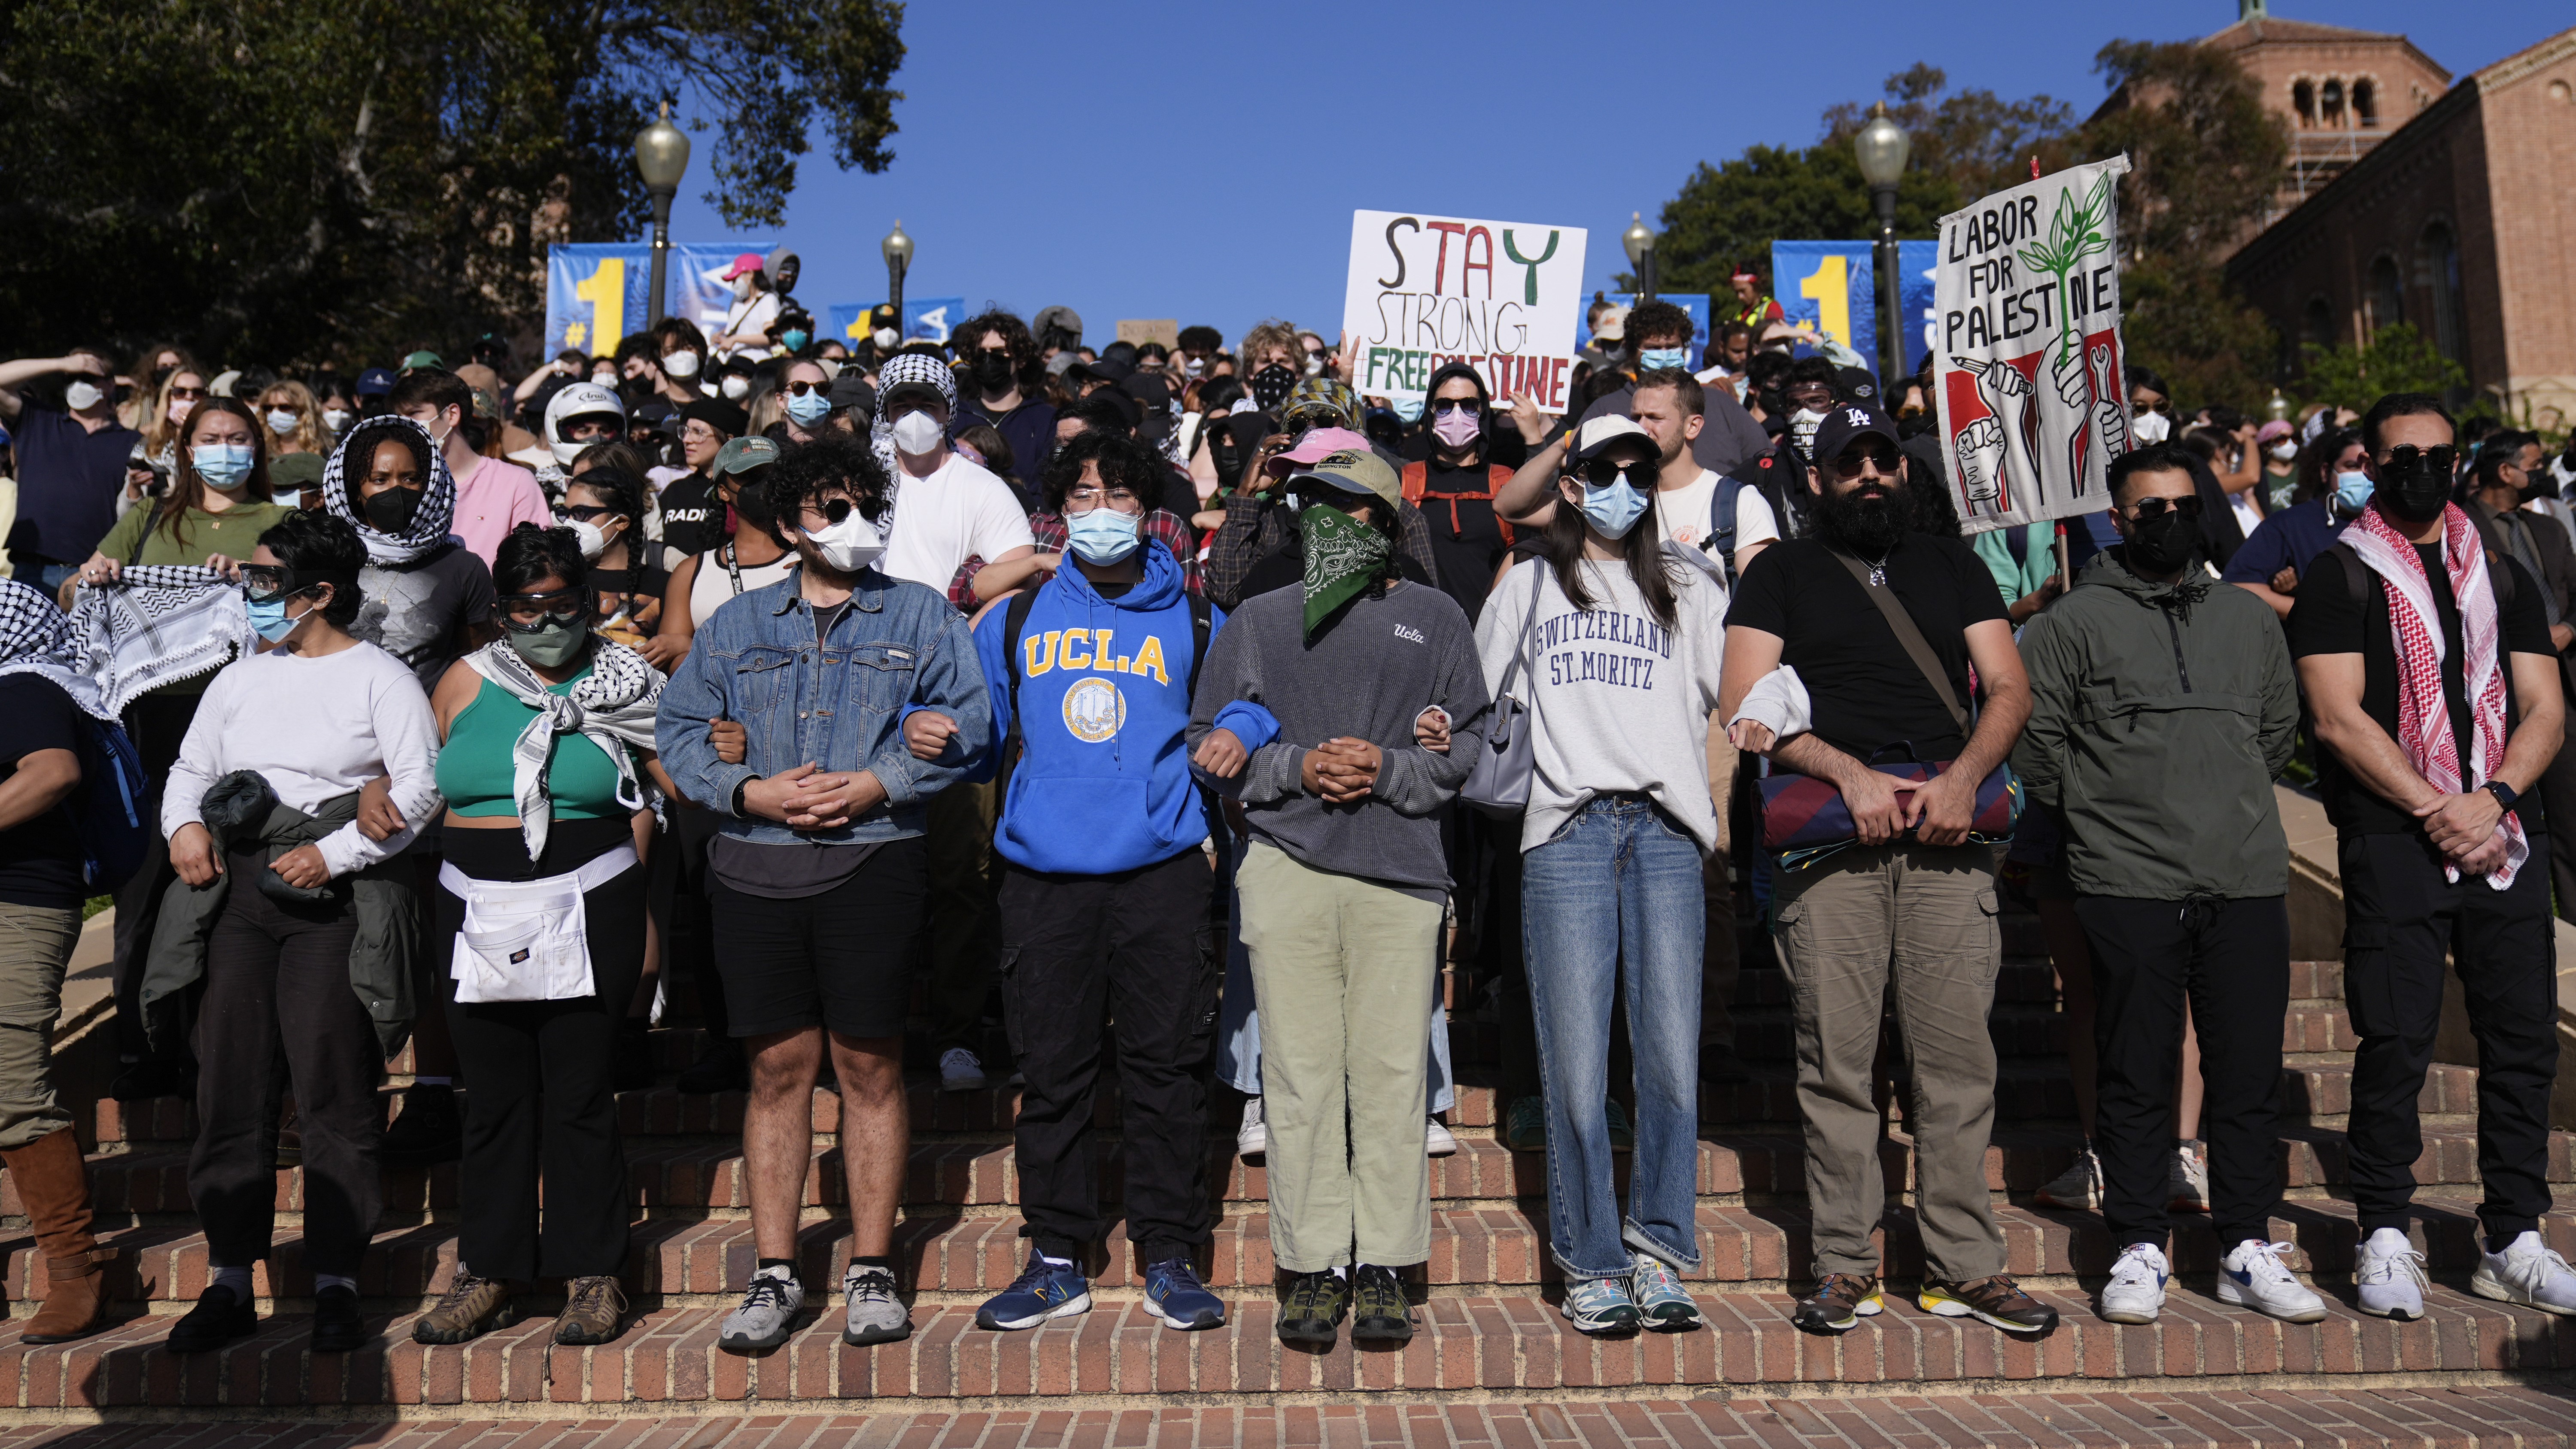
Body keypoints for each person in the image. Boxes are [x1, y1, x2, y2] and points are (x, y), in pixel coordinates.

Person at [1718, 406, 2055, 1338]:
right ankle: (1844, 1262)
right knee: (1838, 1064)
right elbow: (1743, 704)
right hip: (1832, 845)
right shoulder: (1779, 571)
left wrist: (1965, 778)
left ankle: (1965, 1266)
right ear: (1816, 481)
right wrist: (1849, 773)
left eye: (1884, 462)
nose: (1871, 475)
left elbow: (2010, 686)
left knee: (1957, 1065)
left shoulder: (1952, 563)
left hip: (1951, 835)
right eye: (1849, 464)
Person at [657, 429, 990, 1352]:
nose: (854, 523)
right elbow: (679, 729)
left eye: (867, 505)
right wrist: (747, 789)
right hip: (754, 862)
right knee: (776, 1069)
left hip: (874, 857)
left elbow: (972, 724)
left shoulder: (923, 615)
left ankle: (874, 1266)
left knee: (870, 1065)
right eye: (831, 506)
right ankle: (775, 1271)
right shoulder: (734, 623)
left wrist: (883, 779)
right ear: (794, 521)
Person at [1185, 434, 1488, 1349]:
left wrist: (1392, 768)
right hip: (1286, 867)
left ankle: (1389, 1262)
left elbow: (1469, 743)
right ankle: (1312, 1266)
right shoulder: (1259, 617)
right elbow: (1208, 739)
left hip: (1401, 869)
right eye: (1309, 501)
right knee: (1300, 1077)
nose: (1321, 517)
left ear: (1386, 523)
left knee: (1394, 1076)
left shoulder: (1437, 617)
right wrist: (1296, 766)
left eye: (1343, 504)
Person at [2013, 444, 2319, 1326]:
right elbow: (2041, 745)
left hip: (2244, 873)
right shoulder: (2074, 620)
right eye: (2150, 509)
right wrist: (2114, 810)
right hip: (2125, 875)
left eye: (2185, 506)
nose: (2169, 522)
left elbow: (2274, 732)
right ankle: (2139, 1239)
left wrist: (2217, 799)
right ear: (2118, 517)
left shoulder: (2248, 619)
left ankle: (2245, 1243)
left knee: (2247, 1067)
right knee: (2137, 1065)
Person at [2289, 392, 2573, 1321]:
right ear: (2371, 460)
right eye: (2403, 454)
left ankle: (2515, 1234)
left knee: (2523, 1036)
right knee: (2396, 1037)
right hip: (2394, 835)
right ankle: (2382, 1229)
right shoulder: (2341, 573)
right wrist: (2434, 805)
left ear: (2460, 458)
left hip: (2501, 830)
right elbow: (2336, 714)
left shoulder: (2503, 570)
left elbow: (2544, 706)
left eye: (2439, 453)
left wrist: (2489, 799)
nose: (2423, 468)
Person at [152, 510, 441, 1354]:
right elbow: (189, 771)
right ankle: (229, 1280)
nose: (252, 592)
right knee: (230, 1088)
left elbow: (419, 789)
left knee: (334, 1088)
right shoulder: (240, 677)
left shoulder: (380, 677)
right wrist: (183, 830)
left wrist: (339, 851)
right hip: (240, 893)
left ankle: (337, 1282)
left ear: (318, 593)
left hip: (332, 899)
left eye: (267, 579)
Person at [962, 430, 1227, 1334]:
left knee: (1167, 1071)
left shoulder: (1195, 617)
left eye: (1119, 495)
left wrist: (1247, 728)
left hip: (1160, 875)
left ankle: (1169, 1250)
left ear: (1148, 510)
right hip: (1044, 879)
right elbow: (979, 733)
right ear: (1058, 512)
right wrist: (936, 729)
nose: (1101, 511)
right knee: (1055, 1074)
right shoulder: (1013, 615)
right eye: (1082, 496)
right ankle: (1056, 1256)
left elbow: (1244, 698)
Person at [1478, 414, 1727, 1334]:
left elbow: (1732, 692)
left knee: (1667, 1059)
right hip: (1568, 830)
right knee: (1576, 1070)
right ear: (1573, 484)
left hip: (1665, 831)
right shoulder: (1532, 581)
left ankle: (1660, 1249)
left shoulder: (1694, 584)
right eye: (1603, 469)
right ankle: (1590, 1258)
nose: (1623, 483)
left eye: (1640, 468)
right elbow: (1475, 694)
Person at [409, 524, 664, 1348]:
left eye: (562, 604)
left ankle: (593, 1274)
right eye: (526, 607)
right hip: (475, 903)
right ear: (502, 614)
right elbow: (419, 782)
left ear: (589, 603)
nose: (546, 621)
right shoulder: (462, 680)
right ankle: (490, 1270)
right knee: (494, 1095)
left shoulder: (628, 681)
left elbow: (685, 777)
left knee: (582, 1091)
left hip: (593, 897)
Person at [74, 397, 296, 1102]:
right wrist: (95, 579)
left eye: (237, 438)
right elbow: (76, 589)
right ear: (186, 445)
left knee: (227, 889)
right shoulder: (147, 519)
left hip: (246, 726)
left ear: (255, 448)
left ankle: (222, 1053)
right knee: (144, 891)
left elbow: (303, 609)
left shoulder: (279, 522)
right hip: (151, 728)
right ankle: (144, 1050)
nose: (224, 449)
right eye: (211, 438)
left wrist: (255, 584)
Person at [870, 350, 1035, 1092]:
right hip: (858, 690)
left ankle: (959, 1034)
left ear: (948, 410)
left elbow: (1020, 565)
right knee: (869, 867)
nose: (914, 417)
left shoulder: (982, 486)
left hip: (954, 695)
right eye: (901, 402)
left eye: (927, 404)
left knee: (962, 872)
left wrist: (955, 610)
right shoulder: (860, 483)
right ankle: (866, 1033)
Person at [0, 579, 127, 1343]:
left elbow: (52, 774)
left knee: (13, 1082)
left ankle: (77, 1270)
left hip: (19, 902)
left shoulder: (28, 682)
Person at [1497, 304, 1768, 526]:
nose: (1644, 427)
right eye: (1653, 348)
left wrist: (1729, 500)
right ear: (1633, 351)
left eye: (1671, 346)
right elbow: (1516, 505)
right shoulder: (1605, 409)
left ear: (1694, 424)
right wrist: (1563, 442)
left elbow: (1764, 459)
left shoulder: (1719, 402)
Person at [0, 351, 143, 592]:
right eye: (70, 378)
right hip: (34, 569)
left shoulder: (133, 441)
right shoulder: (39, 420)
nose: (77, 385)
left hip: (95, 572)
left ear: (109, 385)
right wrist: (60, 363)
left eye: (87, 377)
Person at [390, 371, 550, 567]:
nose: (404, 425)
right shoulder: (400, 488)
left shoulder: (516, 483)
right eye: (399, 417)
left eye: (414, 414)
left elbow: (539, 566)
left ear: (452, 415)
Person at [2225, 429, 2369, 620]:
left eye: (2369, 467)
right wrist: (2311, 613)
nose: (2362, 476)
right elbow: (2238, 585)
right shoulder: (2289, 525)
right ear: (2326, 472)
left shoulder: (2398, 523)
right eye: (2352, 467)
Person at [955, 310, 1057, 488]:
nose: (988, 360)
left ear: (1021, 359)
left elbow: (1045, 487)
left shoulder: (1046, 420)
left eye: (999, 352)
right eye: (980, 353)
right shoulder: (954, 418)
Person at [656, 399, 749, 562]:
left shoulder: (745, 492)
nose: (686, 440)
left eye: (698, 432)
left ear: (728, 439)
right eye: (685, 431)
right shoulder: (674, 491)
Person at [259, 381, 334, 506]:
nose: (275, 413)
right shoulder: (262, 450)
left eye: (284, 407)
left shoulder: (325, 450)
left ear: (303, 410)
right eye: (269, 408)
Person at [710, 255, 782, 359]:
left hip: (758, 365)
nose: (734, 285)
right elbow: (732, 335)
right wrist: (720, 337)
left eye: (736, 280)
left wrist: (736, 339)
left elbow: (770, 338)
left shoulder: (768, 300)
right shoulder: (737, 306)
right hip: (733, 364)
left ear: (750, 274)